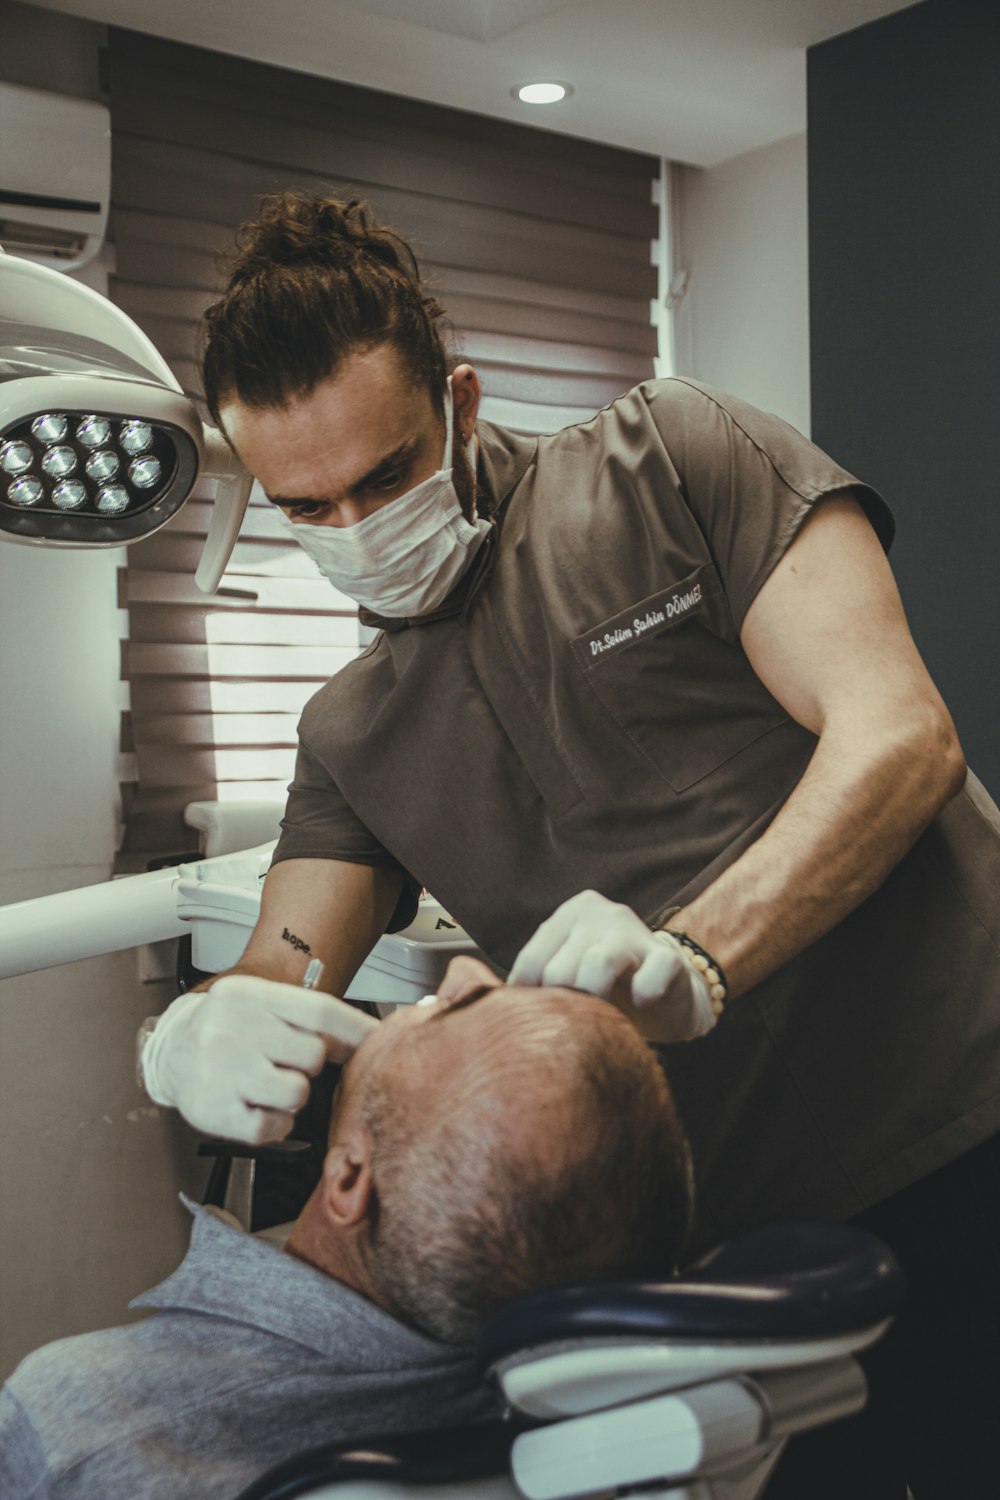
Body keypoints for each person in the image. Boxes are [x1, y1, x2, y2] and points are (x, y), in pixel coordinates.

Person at [136, 191, 1000, 1497]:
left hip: (968, 1116)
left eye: (385, 473)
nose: (354, 525)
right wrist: (202, 1034)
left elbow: (899, 736)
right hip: (736, 1241)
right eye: (304, 508)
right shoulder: (353, 730)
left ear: (462, 402)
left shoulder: (668, 464)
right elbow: (287, 963)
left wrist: (695, 957)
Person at [1, 960, 693, 1500]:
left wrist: (158, 1040)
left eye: (462, 1006)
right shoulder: (599, 1423)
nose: (462, 970)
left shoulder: (82, 1419)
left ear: (349, 1179)